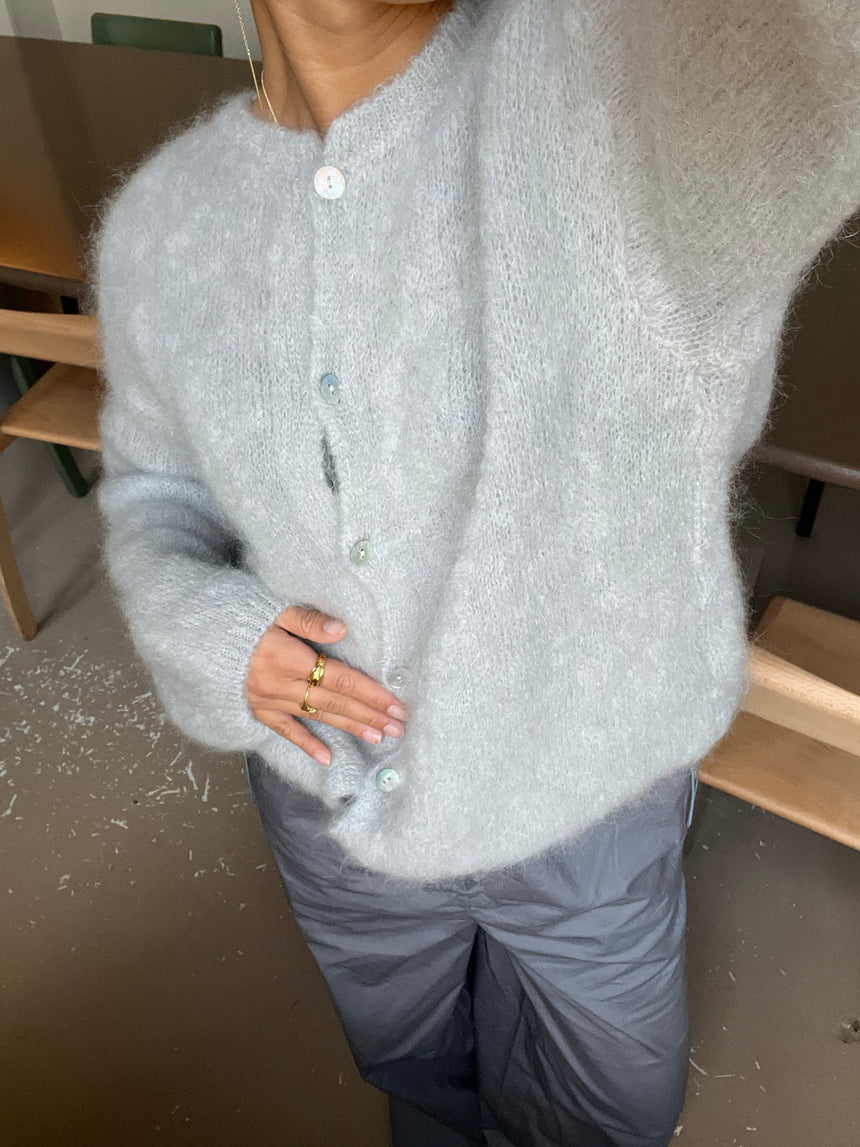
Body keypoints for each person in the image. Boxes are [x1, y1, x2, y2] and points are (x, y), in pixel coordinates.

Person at [89, 1, 860, 1144]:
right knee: (411, 1068)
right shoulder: (161, 225)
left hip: (587, 811)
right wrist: (215, 631)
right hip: (327, 803)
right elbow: (153, 496)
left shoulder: (605, 100)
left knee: (608, 1114)